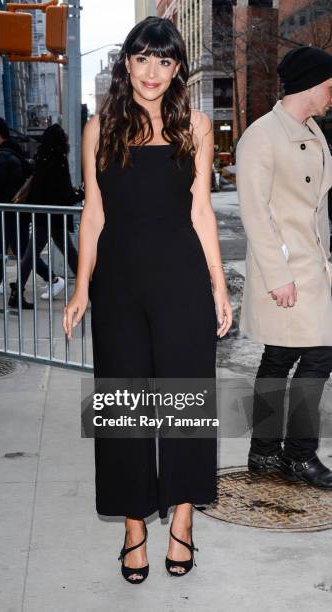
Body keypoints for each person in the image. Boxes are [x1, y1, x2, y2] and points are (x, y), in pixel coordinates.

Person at [63, 17, 232, 583]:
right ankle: (134, 526)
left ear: (177, 67)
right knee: (123, 407)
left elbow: (201, 212)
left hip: (182, 283)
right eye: (142, 59)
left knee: (185, 404)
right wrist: (83, 286)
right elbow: (94, 214)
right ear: (126, 64)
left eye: (164, 60)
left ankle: (183, 521)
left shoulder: (198, 126)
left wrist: (218, 285)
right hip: (119, 288)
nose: (152, 72)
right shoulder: (99, 128)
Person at [237, 46, 332, 489]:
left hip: (314, 267)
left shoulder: (312, 130)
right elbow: (256, 213)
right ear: (312, 86)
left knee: (278, 358)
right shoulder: (261, 136)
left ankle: (263, 451)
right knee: (318, 356)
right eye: (330, 85)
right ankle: (297, 455)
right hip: (287, 271)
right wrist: (279, 277)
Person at [0, 117, 44, 307]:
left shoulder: (1, 156)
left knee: (22, 250)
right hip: (13, 210)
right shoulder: (15, 152)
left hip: (9, 210)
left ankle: (53, 279)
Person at [16, 123, 80, 304]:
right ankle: (91, 290)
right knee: (70, 254)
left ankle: (16, 293)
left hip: (44, 215)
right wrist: (81, 193)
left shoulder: (42, 158)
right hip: (54, 216)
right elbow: (64, 194)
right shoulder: (58, 160)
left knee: (31, 255)